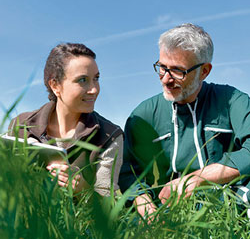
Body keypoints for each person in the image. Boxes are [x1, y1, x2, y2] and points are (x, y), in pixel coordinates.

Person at [118, 23, 250, 219]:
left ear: (204, 71)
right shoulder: (144, 114)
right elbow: (128, 172)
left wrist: (198, 178)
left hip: (229, 201)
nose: (165, 79)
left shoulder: (232, 100)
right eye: (162, 68)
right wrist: (147, 209)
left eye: (178, 71)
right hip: (168, 208)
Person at [8, 43, 123, 196]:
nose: (94, 89)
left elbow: (109, 208)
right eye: (82, 80)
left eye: (96, 78)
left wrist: (83, 190)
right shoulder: (21, 126)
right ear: (55, 85)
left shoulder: (110, 135)